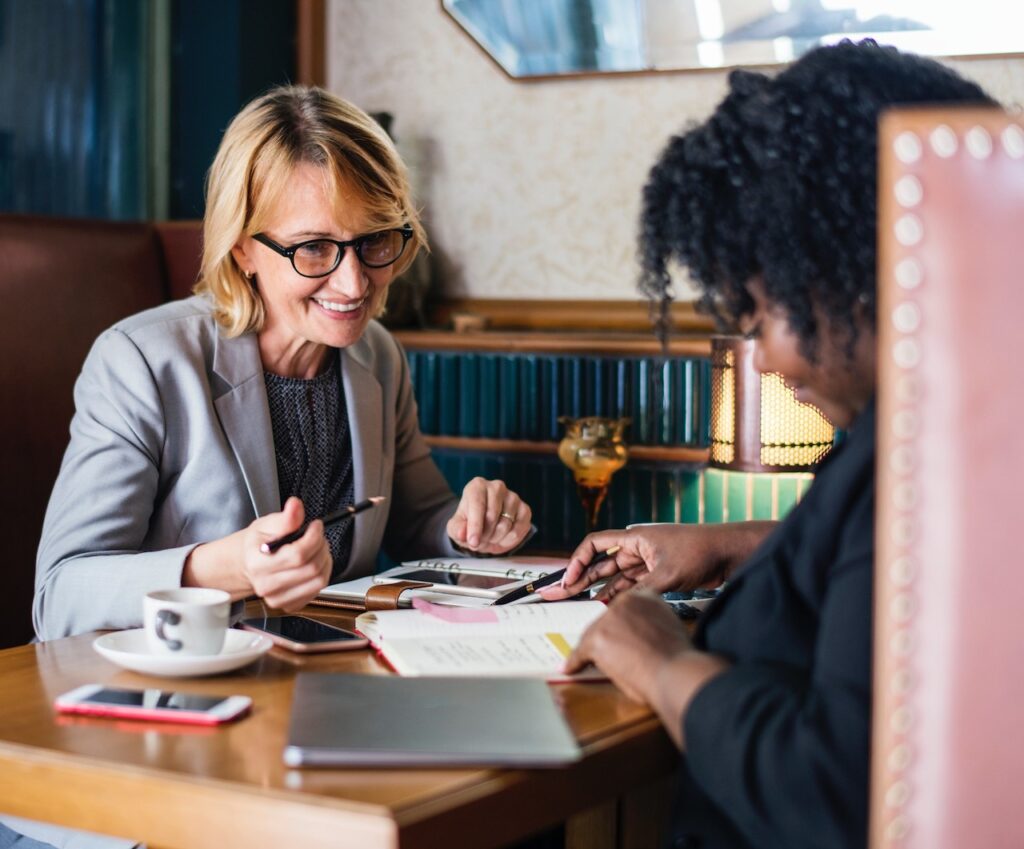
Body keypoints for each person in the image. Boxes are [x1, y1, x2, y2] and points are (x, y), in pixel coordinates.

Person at [542, 41, 995, 849]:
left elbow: (833, 790)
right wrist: (731, 544)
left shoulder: (917, 461)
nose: (771, 363)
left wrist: (660, 662)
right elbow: (883, 575)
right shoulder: (946, 434)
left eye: (756, 317)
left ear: (846, 270)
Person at [33, 85, 533, 640]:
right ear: (243, 247)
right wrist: (226, 570)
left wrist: (472, 527)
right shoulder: (143, 362)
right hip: (174, 697)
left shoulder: (377, 355)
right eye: (314, 247)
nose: (354, 283)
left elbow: (421, 521)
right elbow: (60, 596)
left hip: (332, 684)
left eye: (375, 240)